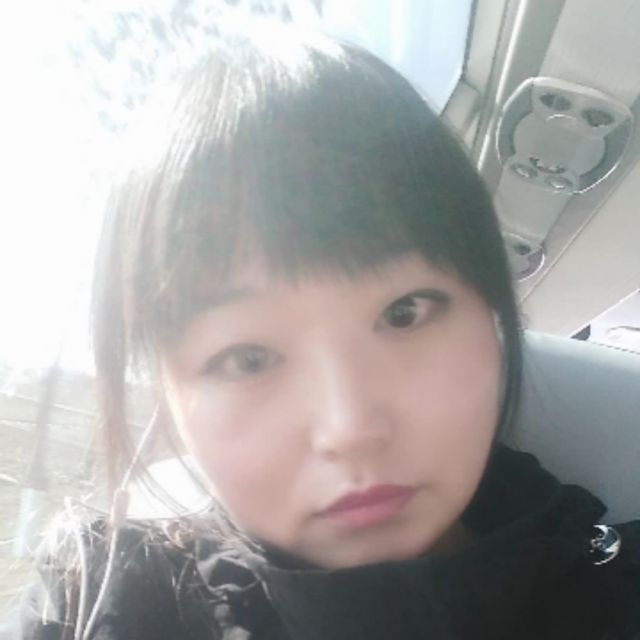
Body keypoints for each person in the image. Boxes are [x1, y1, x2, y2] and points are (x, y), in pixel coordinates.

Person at [7, 20, 640, 640]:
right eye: (248, 357)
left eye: (404, 312)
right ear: (170, 394)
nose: (350, 430)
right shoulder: (98, 604)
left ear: (491, 312)